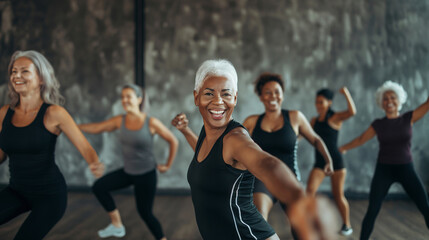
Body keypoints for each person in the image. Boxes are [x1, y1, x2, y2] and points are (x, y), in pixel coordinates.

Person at [171, 59, 333, 240]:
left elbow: (266, 162)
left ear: (235, 98)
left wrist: (301, 199)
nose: (218, 101)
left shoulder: (235, 138)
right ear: (196, 97)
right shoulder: (208, 132)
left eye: (226, 94)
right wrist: (185, 131)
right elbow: (208, 159)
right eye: (209, 94)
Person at [0, 50, 104, 240]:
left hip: (49, 196)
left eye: (24, 71)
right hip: (17, 191)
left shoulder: (54, 113)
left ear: (41, 78)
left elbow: (85, 147)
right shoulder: (4, 113)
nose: (17, 76)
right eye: (14, 71)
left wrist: (94, 162)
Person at [79, 83, 178, 240]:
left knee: (145, 213)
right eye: (122, 97)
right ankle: (117, 225)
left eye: (128, 96)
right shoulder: (120, 120)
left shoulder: (151, 122)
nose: (124, 100)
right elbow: (98, 127)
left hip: (146, 175)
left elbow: (173, 141)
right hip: (128, 171)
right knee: (99, 187)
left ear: (139, 99)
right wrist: (73, 127)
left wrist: (167, 165)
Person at [241, 73, 333, 239]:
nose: (272, 96)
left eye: (277, 91)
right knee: (259, 220)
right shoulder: (251, 122)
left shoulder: (295, 117)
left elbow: (316, 139)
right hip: (262, 180)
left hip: (289, 179)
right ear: (261, 97)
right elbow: (236, 146)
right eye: (267, 92)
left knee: (301, 225)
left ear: (282, 94)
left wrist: (328, 160)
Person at [339, 81, 429, 240]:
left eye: (392, 97)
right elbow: (360, 139)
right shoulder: (378, 124)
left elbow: (427, 103)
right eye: (385, 99)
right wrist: (343, 148)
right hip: (384, 170)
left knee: (425, 207)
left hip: (406, 169)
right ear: (381, 103)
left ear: (399, 100)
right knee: (373, 209)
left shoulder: (409, 118)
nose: (389, 101)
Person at [306, 87, 356, 236]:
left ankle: (347, 225)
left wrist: (346, 93)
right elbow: (304, 133)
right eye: (316, 102)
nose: (318, 105)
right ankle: (311, 224)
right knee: (309, 192)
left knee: (338, 195)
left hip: (337, 163)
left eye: (321, 102)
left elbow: (352, 112)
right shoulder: (314, 121)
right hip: (320, 163)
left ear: (329, 103)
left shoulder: (335, 118)